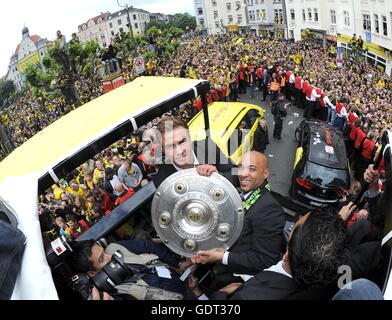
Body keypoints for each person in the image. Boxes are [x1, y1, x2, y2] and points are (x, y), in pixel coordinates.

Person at [190, 206, 347, 300]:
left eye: (292, 230)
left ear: (287, 255)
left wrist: (221, 294)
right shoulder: (333, 275)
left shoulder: (247, 297)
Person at [191, 151, 286, 292]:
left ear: (265, 174)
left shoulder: (269, 209)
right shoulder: (243, 194)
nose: (243, 174)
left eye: (252, 169)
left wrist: (222, 256)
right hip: (217, 267)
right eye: (241, 167)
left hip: (233, 280)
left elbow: (265, 260)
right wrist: (215, 176)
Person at [69, 239, 188, 299]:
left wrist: (177, 263)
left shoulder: (115, 248)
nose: (110, 256)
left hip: (183, 277)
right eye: (102, 259)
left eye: (104, 252)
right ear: (92, 273)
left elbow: (148, 245)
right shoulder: (114, 295)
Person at [153, 116, 238, 189]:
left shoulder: (208, 147)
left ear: (190, 138)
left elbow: (236, 174)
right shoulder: (162, 181)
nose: (179, 151)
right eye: (171, 146)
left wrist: (218, 177)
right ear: (163, 150)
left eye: (182, 141)